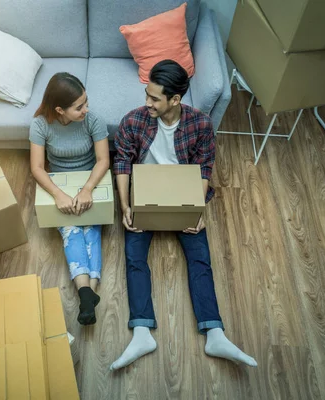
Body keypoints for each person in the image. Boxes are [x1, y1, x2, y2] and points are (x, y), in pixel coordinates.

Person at [110, 60, 257, 370]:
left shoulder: (200, 125)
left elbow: (204, 167)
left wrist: (196, 208)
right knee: (134, 255)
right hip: (145, 193)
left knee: (199, 255)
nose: (147, 102)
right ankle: (141, 332)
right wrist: (125, 206)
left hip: (182, 193)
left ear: (175, 100)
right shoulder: (133, 121)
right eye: (147, 95)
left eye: (154, 98)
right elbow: (122, 162)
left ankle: (214, 332)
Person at [30, 72, 110, 325]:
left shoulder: (93, 120)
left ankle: (86, 296)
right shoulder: (40, 125)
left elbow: (103, 160)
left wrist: (87, 189)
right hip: (60, 183)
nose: (86, 109)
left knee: (91, 228)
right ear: (60, 110)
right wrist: (58, 194)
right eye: (79, 107)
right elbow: (37, 168)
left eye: (86, 102)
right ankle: (89, 295)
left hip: (90, 178)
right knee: (71, 230)